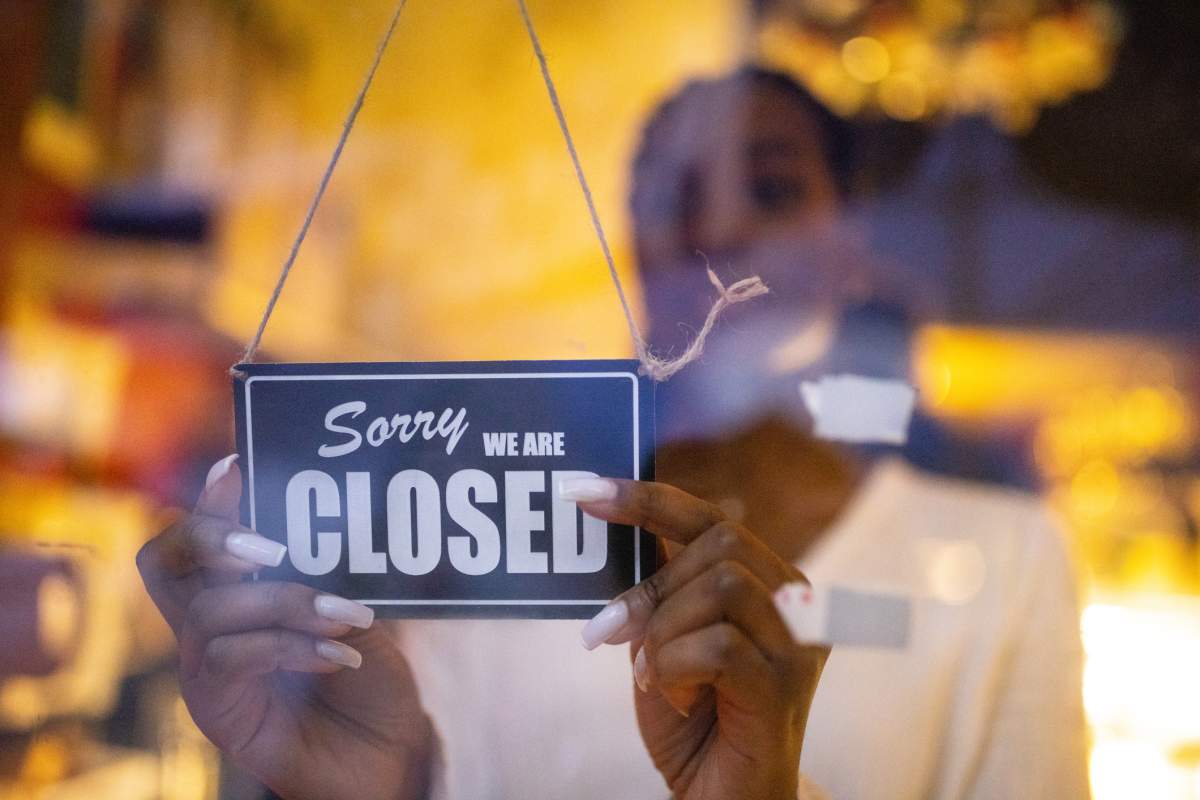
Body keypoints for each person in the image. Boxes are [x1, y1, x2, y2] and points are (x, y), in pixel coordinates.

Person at [137, 68, 1089, 799]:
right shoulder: (500, 532)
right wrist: (394, 780)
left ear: (849, 249)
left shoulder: (1000, 560)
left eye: (773, 189)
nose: (716, 227)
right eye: (674, 195)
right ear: (632, 245)